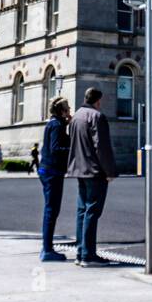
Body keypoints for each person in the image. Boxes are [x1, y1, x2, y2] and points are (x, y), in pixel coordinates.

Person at [66, 87, 118, 267]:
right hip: (95, 171)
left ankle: (81, 253)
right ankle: (89, 255)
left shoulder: (76, 117)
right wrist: (110, 172)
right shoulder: (97, 117)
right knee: (92, 212)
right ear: (98, 101)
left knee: (82, 211)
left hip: (79, 169)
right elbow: (102, 147)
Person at [38, 100, 71, 261]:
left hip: (48, 169)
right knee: (51, 210)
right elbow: (56, 148)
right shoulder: (57, 125)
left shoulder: (55, 123)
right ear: (62, 111)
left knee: (51, 209)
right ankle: (47, 250)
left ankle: (47, 247)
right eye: (68, 109)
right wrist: (73, 149)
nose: (70, 110)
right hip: (52, 171)